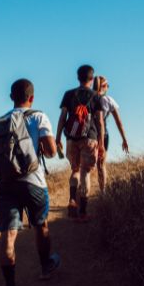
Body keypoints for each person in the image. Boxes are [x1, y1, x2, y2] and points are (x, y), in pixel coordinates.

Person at [0, 78, 60, 286]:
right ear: (32, 97)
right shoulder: (39, 116)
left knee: (8, 236)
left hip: (6, 184)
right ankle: (45, 266)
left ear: (11, 97)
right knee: (41, 225)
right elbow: (52, 152)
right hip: (33, 182)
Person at [55, 65, 105, 220]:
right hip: (89, 138)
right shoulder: (96, 96)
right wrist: (101, 143)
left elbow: (63, 117)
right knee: (85, 172)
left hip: (71, 138)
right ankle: (83, 212)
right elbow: (100, 122)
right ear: (92, 79)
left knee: (75, 170)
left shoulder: (68, 94)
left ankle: (71, 199)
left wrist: (57, 138)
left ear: (78, 77)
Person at [93, 75, 129, 192]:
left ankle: (82, 194)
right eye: (107, 85)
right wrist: (124, 139)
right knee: (101, 165)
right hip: (103, 134)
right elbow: (119, 122)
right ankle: (103, 192)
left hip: (88, 135)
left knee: (85, 166)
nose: (108, 87)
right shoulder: (108, 100)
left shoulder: (88, 98)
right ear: (103, 86)